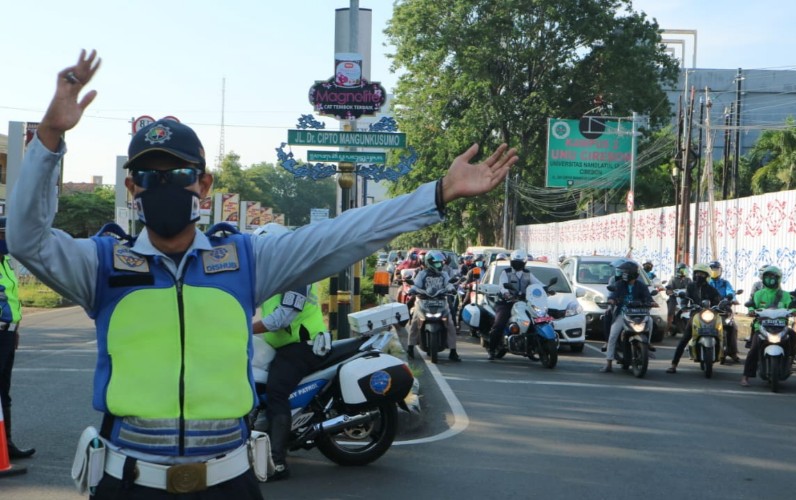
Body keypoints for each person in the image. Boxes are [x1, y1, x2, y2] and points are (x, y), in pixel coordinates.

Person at [6, 50, 517, 498]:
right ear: (132, 188)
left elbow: (343, 235)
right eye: (149, 176)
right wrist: (49, 139)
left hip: (228, 484)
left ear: (203, 185)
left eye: (179, 174)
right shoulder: (102, 265)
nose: (164, 185)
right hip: (128, 484)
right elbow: (27, 238)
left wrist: (437, 194)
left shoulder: (245, 259)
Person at [249, 223, 328, 481]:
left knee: (276, 391)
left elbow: (283, 317)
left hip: (303, 346)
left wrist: (247, 327)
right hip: (279, 344)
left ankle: (278, 462)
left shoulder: (297, 275)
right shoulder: (270, 275)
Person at [0, 217, 35, 460]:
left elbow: (10, 298)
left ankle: (6, 444)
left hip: (8, 333)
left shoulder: (5, 262)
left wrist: (15, 329)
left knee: (4, 391)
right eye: (4, 234)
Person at [740, 266, 796, 387]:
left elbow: (791, 306)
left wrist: (793, 310)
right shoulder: (759, 294)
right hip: (761, 327)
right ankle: (746, 376)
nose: (770, 279)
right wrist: (751, 310)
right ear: (763, 278)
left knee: (792, 335)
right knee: (754, 349)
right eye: (767, 277)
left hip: (781, 326)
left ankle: (791, 359)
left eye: (773, 277)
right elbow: (752, 306)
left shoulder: (785, 295)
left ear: (778, 279)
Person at [600, 261, 655, 372]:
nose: (623, 274)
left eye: (625, 272)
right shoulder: (619, 284)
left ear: (632, 274)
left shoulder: (642, 286)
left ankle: (647, 343)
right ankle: (608, 362)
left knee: (651, 321)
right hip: (623, 313)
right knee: (613, 335)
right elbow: (613, 295)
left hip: (640, 313)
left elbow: (648, 298)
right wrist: (611, 300)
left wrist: (652, 302)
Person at [666, 263, 721, 374]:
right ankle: (673, 365)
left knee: (721, 332)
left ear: (707, 275)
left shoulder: (711, 289)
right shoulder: (691, 286)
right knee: (684, 339)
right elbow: (685, 298)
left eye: (702, 274)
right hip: (695, 314)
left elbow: (718, 300)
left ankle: (723, 353)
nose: (699, 276)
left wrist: (722, 305)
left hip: (710, 314)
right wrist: (684, 305)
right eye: (697, 273)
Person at [407, 251, 461, 362]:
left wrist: (451, 288)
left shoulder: (444, 274)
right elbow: (416, 285)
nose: (440, 265)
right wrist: (413, 289)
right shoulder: (422, 274)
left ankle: (453, 351)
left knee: (450, 324)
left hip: (441, 301)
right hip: (423, 301)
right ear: (429, 263)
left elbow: (448, 284)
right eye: (437, 263)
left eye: (440, 263)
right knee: (415, 322)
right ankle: (410, 347)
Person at [487, 249, 540, 360]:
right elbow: (502, 286)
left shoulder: (527, 274)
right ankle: (491, 349)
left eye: (519, 262)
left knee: (534, 321)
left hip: (524, 303)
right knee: (499, 323)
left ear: (524, 262)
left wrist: (546, 289)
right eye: (515, 261)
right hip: (506, 303)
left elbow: (537, 284)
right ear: (511, 261)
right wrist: (507, 295)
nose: (517, 264)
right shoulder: (505, 273)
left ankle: (532, 349)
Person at [708, 260, 739, 363]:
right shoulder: (707, 283)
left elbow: (731, 292)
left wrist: (732, 299)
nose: (714, 271)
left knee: (733, 327)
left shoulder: (725, 283)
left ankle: (733, 352)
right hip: (709, 310)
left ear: (720, 271)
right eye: (712, 269)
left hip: (724, 309)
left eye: (716, 269)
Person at [664, 263, 691, 334]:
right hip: (674, 298)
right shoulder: (673, 279)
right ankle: (667, 327)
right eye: (682, 270)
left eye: (685, 270)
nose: (684, 272)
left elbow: (692, 287)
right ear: (678, 271)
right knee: (670, 312)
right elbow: (668, 289)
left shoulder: (688, 280)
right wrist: (669, 291)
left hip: (685, 298)